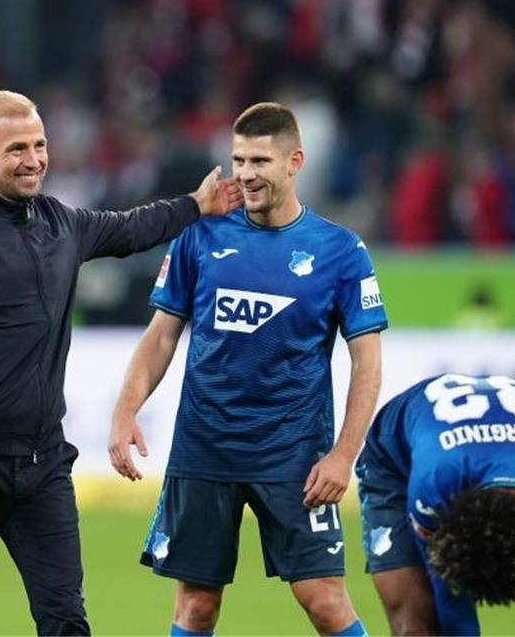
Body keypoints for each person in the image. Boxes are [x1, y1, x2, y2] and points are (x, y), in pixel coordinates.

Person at [0, 89, 243, 635]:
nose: (34, 159)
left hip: (43, 468)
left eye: (39, 145)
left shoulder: (61, 222)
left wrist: (195, 206)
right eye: (16, 148)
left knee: (66, 620)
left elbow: (129, 228)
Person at [108, 101, 386, 637]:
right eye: (238, 160)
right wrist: (125, 412)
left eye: (259, 160)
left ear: (294, 162)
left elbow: (367, 364)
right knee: (196, 608)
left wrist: (343, 455)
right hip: (204, 449)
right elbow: (161, 335)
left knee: (325, 602)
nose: (246, 174)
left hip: (294, 454)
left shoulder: (341, 252)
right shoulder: (201, 235)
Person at [355, 373, 515, 635]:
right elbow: (454, 614)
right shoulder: (435, 486)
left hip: (492, 458)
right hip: (396, 464)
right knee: (417, 625)